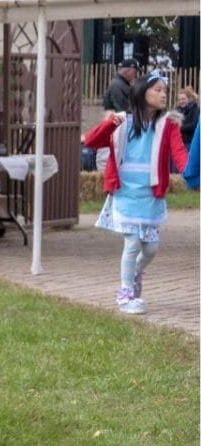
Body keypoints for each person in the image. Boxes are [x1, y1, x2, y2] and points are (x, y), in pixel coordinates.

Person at [83, 71, 189, 314]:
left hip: (151, 195)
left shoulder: (168, 124)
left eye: (165, 90)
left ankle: (135, 275)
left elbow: (179, 154)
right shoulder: (121, 121)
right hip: (125, 193)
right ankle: (125, 295)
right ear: (142, 93)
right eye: (158, 90)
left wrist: (191, 175)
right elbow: (91, 141)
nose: (164, 95)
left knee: (150, 249)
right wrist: (110, 124)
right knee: (131, 244)